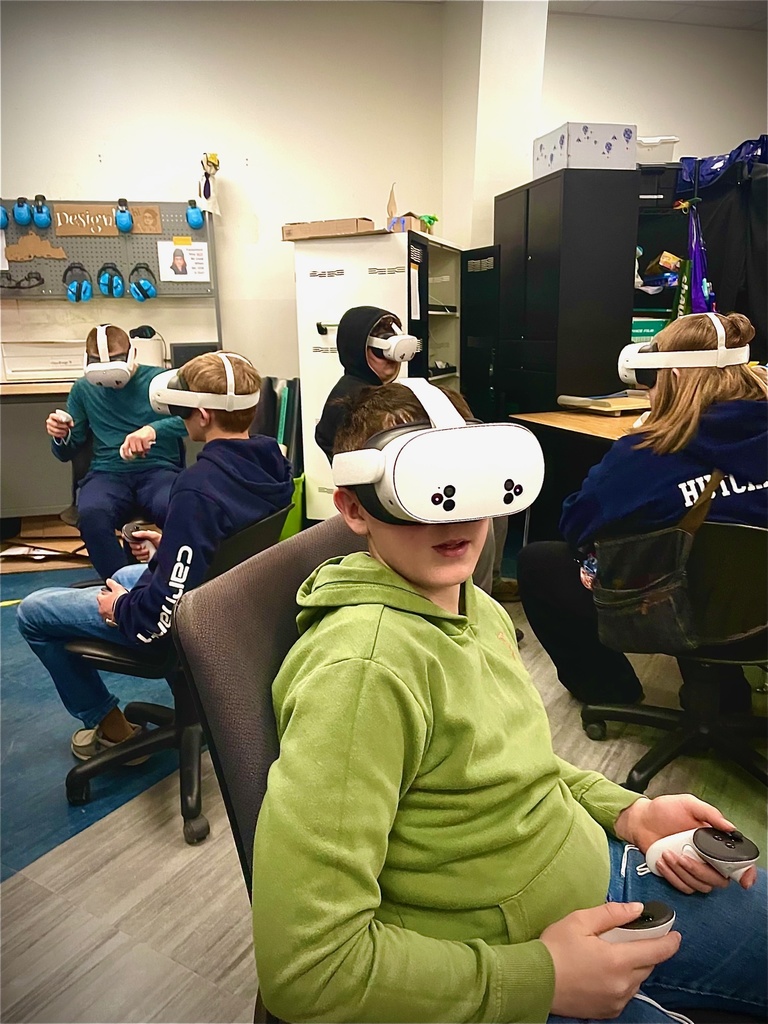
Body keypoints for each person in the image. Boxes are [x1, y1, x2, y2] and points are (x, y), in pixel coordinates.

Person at [250, 379, 766, 1024]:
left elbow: (513, 763)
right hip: (505, 958)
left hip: (590, 869)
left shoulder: (477, 605)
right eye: (423, 491)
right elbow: (306, 971)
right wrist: (539, 981)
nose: (457, 518)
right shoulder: (363, 674)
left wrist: (629, 813)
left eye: (473, 487)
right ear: (355, 508)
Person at [19, 351, 294, 761]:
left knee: (33, 612)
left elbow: (158, 616)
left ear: (201, 415)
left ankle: (112, 727)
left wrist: (122, 608)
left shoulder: (196, 487)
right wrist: (170, 543)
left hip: (176, 623)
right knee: (130, 570)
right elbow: (227, 538)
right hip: (226, 605)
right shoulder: (274, 460)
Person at [517, 311, 768, 708]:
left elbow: (577, 524)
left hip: (674, 609)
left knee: (538, 564)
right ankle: (725, 694)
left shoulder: (647, 455)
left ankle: (610, 692)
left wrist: (630, 450)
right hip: (761, 618)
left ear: (678, 377)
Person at [315, 305, 519, 604]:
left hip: (425, 481)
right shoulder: (350, 401)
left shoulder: (389, 393)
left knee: (493, 511)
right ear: (357, 348)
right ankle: (473, 596)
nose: (393, 350)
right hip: (396, 496)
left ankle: (481, 599)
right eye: (382, 340)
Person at [46, 323, 187, 580]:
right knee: (91, 515)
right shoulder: (83, 389)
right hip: (108, 473)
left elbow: (189, 420)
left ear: (132, 352)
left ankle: (171, 579)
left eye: (117, 359)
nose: (108, 368)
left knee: (181, 508)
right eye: (98, 361)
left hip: (158, 471)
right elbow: (66, 452)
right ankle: (123, 588)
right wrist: (61, 435)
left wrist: (152, 430)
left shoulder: (160, 380)